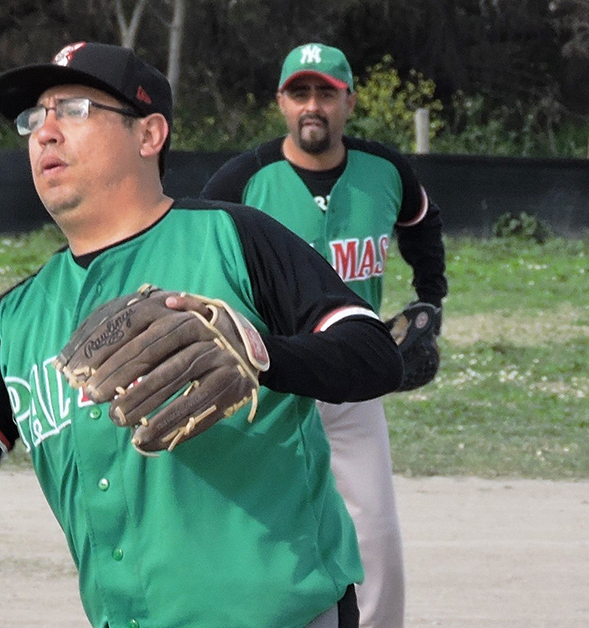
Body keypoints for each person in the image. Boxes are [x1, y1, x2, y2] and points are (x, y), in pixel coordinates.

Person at [0, 42, 403, 628]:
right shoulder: (15, 319)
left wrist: (265, 357)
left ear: (149, 133)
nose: (44, 130)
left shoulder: (234, 238)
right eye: (34, 117)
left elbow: (374, 355)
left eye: (74, 109)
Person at [200, 43, 449, 628]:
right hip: (269, 384)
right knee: (260, 528)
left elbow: (422, 221)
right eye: (300, 92)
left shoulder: (384, 171)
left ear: (349, 101)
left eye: (327, 93)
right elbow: (198, 254)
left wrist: (429, 298)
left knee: (376, 531)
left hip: (353, 377)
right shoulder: (243, 179)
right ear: (281, 102)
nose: (314, 106)